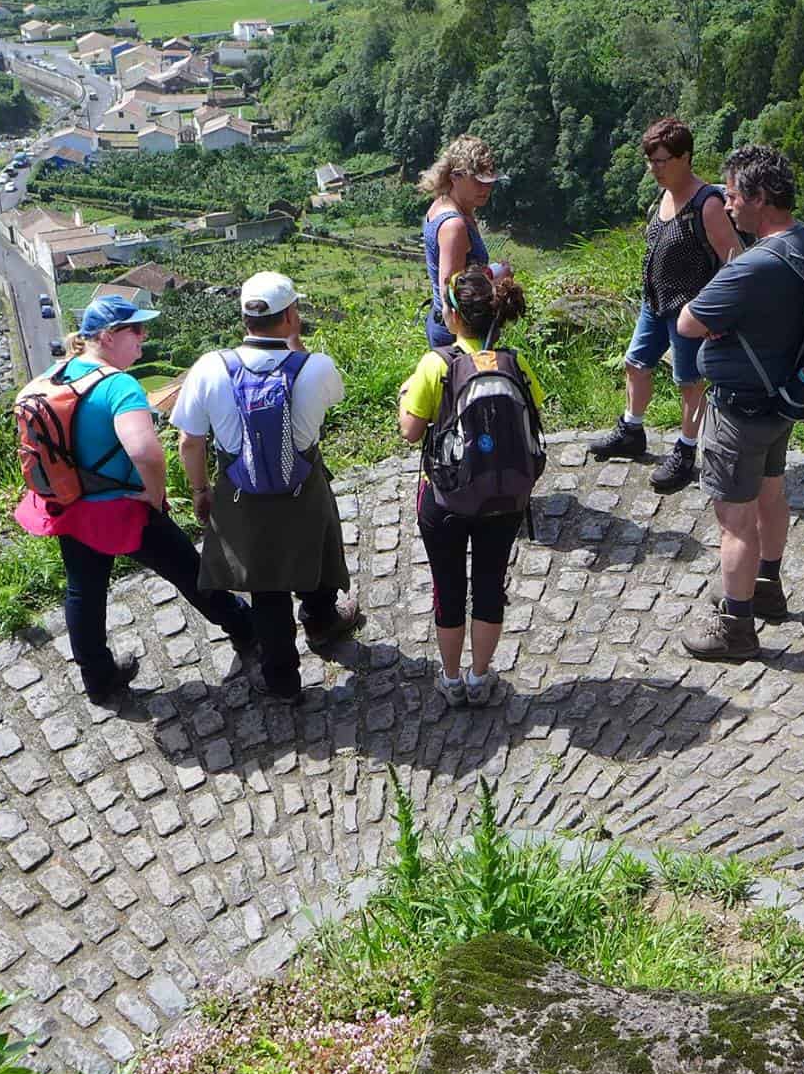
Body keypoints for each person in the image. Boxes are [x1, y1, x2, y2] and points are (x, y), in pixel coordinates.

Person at [14, 295, 261, 707]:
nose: (144, 338)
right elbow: (146, 451)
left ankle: (99, 678)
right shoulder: (118, 385)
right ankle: (245, 628)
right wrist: (154, 492)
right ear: (108, 336)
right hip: (122, 509)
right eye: (136, 330)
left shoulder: (58, 375)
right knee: (191, 570)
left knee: (83, 592)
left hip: (71, 505)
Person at [169, 272, 362, 703]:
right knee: (315, 551)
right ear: (291, 315)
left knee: (266, 587)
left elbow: (189, 441)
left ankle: (282, 682)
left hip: (241, 494)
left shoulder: (209, 368)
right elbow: (332, 397)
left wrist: (201, 491)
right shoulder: (317, 368)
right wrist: (296, 346)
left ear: (244, 316)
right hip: (302, 486)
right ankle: (320, 620)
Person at [674, 143, 804, 661]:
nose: (727, 206)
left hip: (740, 409)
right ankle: (767, 587)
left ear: (760, 198)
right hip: (783, 401)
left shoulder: (753, 266)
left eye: (733, 196)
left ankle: (735, 626)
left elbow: (690, 322)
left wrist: (725, 285)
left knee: (734, 520)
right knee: (772, 494)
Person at [398, 265, 544, 707]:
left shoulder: (436, 364)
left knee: (447, 585)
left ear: (455, 317)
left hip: (445, 496)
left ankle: (451, 678)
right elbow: (534, 410)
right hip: (504, 494)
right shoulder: (514, 361)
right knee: (488, 582)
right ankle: (481, 679)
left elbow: (410, 430)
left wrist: (406, 395)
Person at [588, 117, 744, 492]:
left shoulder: (706, 204)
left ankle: (686, 452)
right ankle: (631, 429)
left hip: (691, 310)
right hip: (655, 302)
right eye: (651, 161)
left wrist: (717, 310)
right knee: (635, 364)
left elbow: (735, 261)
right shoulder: (666, 195)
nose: (653, 168)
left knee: (689, 382)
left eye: (661, 161)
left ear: (684, 157)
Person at [417, 134, 504, 347]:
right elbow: (451, 291)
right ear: (455, 177)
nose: (486, 189)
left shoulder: (445, 204)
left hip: (454, 326)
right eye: (477, 181)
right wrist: (495, 274)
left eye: (489, 181)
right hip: (458, 333)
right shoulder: (453, 225)